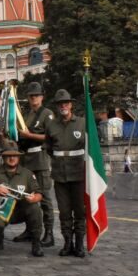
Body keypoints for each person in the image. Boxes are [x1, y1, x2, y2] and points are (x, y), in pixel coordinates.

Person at [45, 89, 87, 257]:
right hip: (60, 176)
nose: (63, 106)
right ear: (57, 107)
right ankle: (67, 242)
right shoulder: (51, 125)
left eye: (66, 103)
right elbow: (49, 149)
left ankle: (79, 244)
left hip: (78, 174)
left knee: (79, 211)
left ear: (71, 105)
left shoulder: (82, 123)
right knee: (64, 212)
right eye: (60, 104)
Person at [0, 143, 45, 257]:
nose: (12, 158)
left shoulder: (27, 174)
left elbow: (39, 193)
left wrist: (34, 198)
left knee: (35, 209)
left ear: (19, 157)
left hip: (19, 211)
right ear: (3, 157)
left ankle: (36, 244)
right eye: (8, 156)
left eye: (14, 156)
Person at [14, 81, 55, 246]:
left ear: (42, 97)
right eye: (31, 96)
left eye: (36, 95)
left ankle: (49, 233)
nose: (33, 98)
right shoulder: (27, 115)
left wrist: (29, 136)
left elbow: (50, 137)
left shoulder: (47, 114)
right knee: (26, 197)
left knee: (44, 197)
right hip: (27, 160)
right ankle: (30, 230)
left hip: (41, 158)